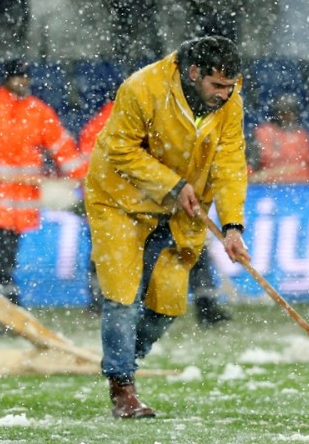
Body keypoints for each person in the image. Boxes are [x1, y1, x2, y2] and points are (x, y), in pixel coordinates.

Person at [83, 36, 250, 418]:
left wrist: (232, 226)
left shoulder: (230, 102)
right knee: (122, 296)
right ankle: (122, 386)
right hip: (119, 199)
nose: (225, 95)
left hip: (180, 210)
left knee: (168, 305)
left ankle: (125, 357)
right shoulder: (142, 88)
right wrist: (172, 185)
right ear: (194, 73)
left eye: (230, 86)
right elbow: (120, 150)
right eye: (217, 86)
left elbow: (230, 163)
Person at [0, 59, 88, 332]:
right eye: (17, 77)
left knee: (5, 259)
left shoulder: (38, 112)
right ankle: (6, 303)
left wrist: (82, 173)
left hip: (21, 202)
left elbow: (62, 146)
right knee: (1, 259)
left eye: (25, 77)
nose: (22, 82)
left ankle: (1, 309)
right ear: (7, 79)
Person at [79, 98, 234, 325]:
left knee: (109, 254)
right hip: (140, 203)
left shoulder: (105, 124)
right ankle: (204, 306)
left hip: (138, 202)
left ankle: (107, 304)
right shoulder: (144, 119)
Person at [249, 94, 309, 184]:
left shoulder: (302, 136)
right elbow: (251, 171)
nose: (288, 116)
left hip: (298, 189)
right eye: (284, 112)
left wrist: (270, 173)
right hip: (266, 189)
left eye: (292, 112)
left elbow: (307, 171)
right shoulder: (263, 133)